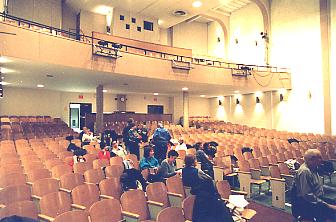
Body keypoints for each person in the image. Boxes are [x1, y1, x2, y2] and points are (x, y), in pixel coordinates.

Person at [182, 154, 233, 222]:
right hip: (200, 192)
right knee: (211, 184)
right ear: (193, 162)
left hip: (189, 191)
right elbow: (208, 178)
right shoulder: (197, 171)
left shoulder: (183, 170)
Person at [292, 149, 336, 221]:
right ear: (311, 160)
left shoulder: (314, 168)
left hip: (316, 198)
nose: (322, 160)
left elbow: (318, 185)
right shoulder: (305, 172)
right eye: (319, 158)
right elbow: (307, 195)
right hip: (306, 203)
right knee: (332, 211)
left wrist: (333, 189)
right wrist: (328, 205)